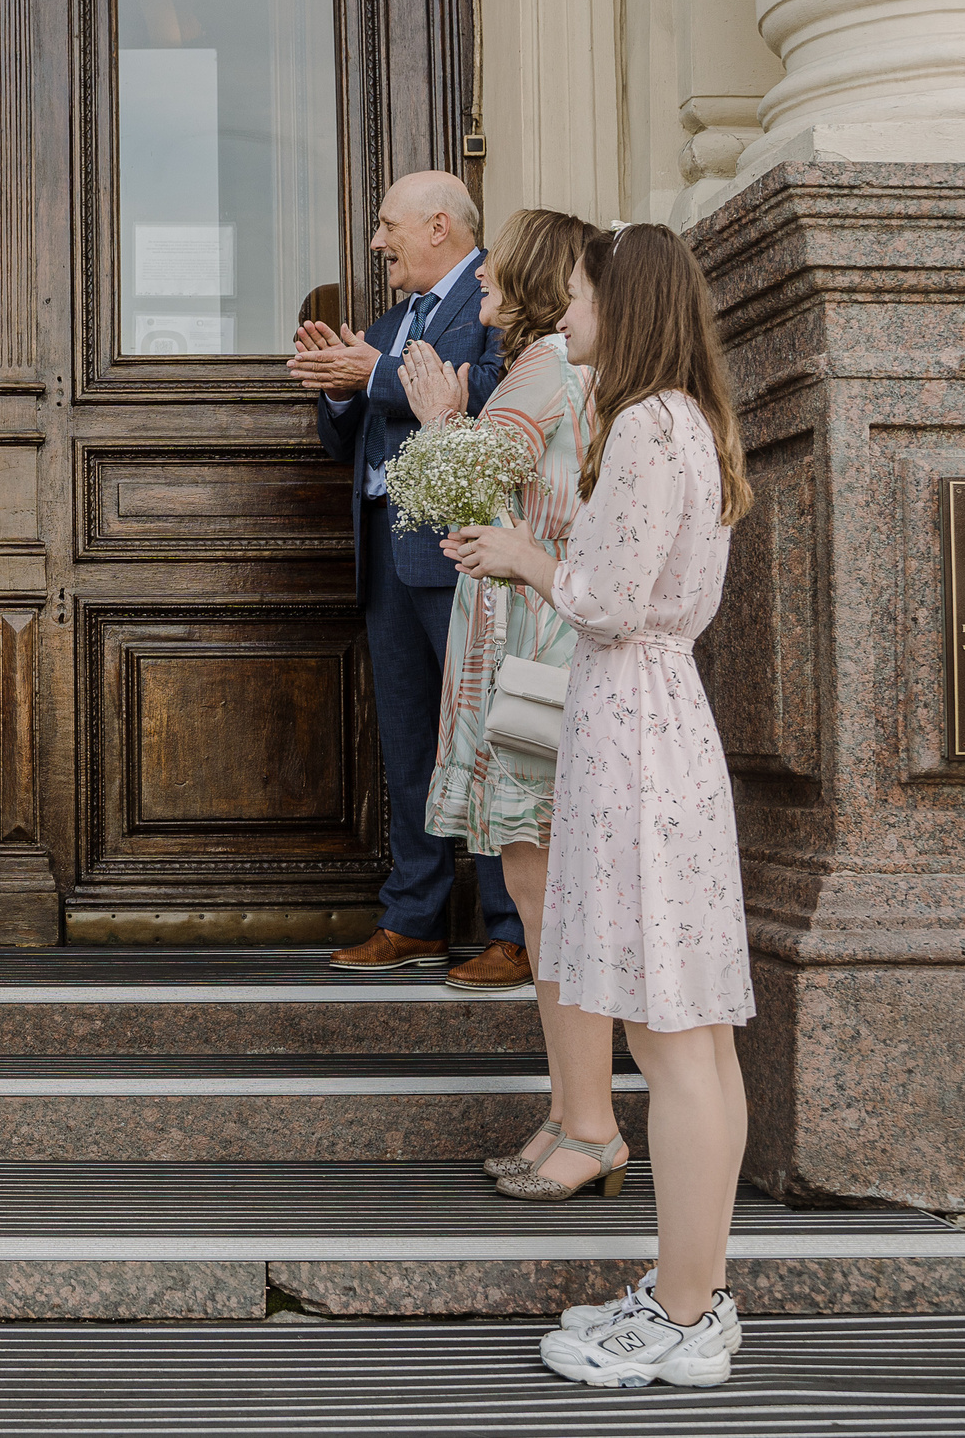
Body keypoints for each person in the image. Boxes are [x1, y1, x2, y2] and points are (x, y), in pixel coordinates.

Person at [449, 221, 756, 1390]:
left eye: (578, 296)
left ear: (623, 304)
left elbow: (609, 601)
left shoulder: (639, 422)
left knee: (667, 1042)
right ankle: (698, 1295)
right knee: (696, 1041)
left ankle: (683, 1316)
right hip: (667, 718)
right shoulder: (696, 420)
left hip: (629, 726)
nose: (564, 313)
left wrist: (529, 556)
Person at [394, 210, 614, 1195]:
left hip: (531, 649)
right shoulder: (567, 369)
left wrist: (440, 416)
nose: (476, 298)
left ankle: (591, 1126)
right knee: (540, 896)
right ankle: (573, 1116)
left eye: (489, 286)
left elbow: (462, 485)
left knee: (546, 899)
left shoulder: (536, 368)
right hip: (537, 636)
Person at [292, 170, 526, 984]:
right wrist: (336, 387)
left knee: (491, 741)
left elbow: (499, 395)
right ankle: (414, 917)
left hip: (464, 555)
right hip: (387, 561)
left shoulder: (502, 294)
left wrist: (375, 375)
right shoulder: (392, 320)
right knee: (409, 747)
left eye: (387, 225)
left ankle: (513, 928)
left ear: (438, 226)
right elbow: (344, 440)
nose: (376, 242)